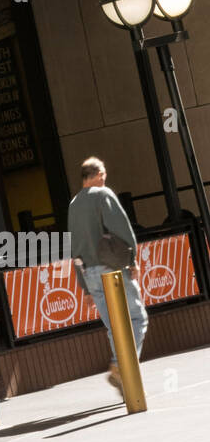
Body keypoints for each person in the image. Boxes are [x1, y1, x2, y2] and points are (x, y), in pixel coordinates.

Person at [67, 157, 148, 394]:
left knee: (114, 325)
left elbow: (74, 246)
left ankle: (120, 368)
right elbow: (122, 228)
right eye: (104, 174)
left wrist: (83, 286)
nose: (105, 178)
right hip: (111, 267)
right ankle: (120, 366)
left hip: (89, 274)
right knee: (137, 318)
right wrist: (133, 260)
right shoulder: (103, 195)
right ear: (98, 174)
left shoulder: (73, 204)